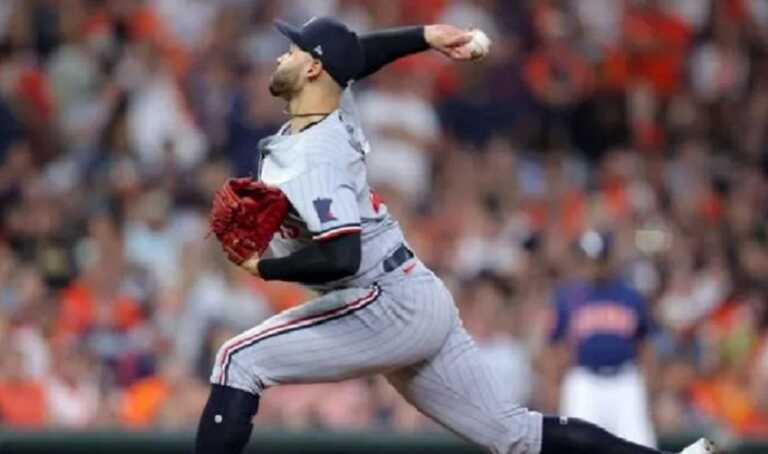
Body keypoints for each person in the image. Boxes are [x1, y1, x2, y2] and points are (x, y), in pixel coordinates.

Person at [194, 17, 717, 454]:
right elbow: (356, 55)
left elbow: (342, 256)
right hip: (415, 292)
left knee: (237, 359)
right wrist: (423, 36)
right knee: (515, 434)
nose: (279, 56)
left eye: (292, 50)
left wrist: (265, 268)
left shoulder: (315, 155)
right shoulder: (331, 107)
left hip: (381, 301)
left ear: (312, 67)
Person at [547, 230, 657, 446]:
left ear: (609, 259)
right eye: (588, 260)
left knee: (640, 447)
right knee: (576, 448)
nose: (593, 265)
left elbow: (646, 344)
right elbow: (553, 345)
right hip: (585, 382)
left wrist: (649, 385)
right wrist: (555, 384)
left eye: (598, 259)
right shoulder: (568, 296)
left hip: (625, 380)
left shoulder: (631, 296)